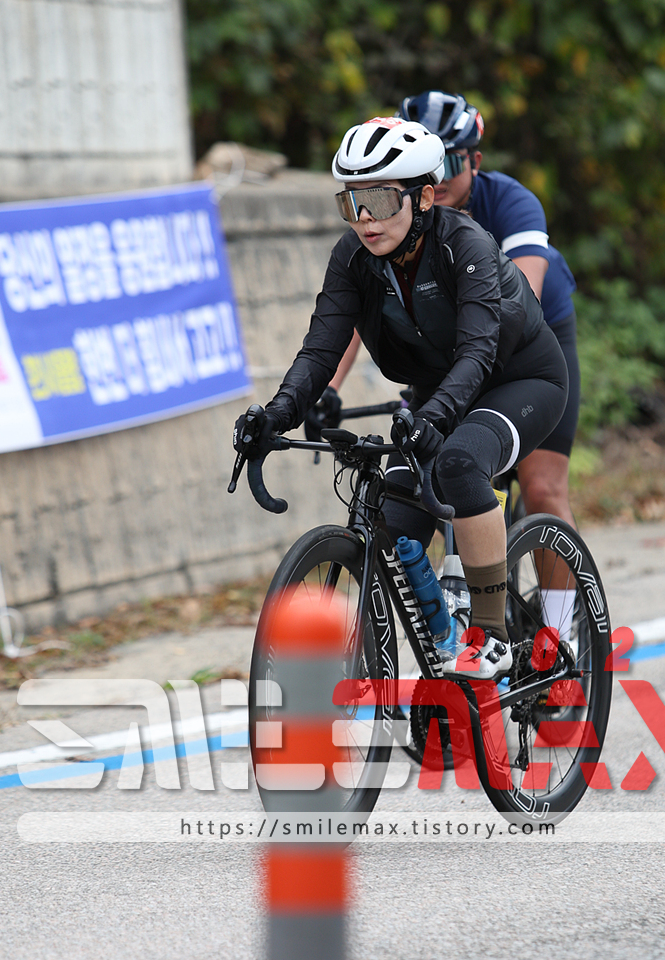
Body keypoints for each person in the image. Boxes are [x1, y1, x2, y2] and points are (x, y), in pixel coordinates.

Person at [233, 116, 568, 679]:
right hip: (442, 388)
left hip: (520, 379)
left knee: (459, 464)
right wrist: (277, 414)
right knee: (391, 516)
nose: (365, 217)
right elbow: (320, 350)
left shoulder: (465, 243)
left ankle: (492, 634)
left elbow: (478, 351)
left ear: (424, 197)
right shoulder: (352, 258)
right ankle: (434, 637)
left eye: (381, 200)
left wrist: (432, 416)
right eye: (352, 202)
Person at [316, 92, 582, 530]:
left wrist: (451, 396)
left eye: (452, 162)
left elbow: (520, 302)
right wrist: (329, 388)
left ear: (474, 161)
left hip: (526, 340)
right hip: (447, 348)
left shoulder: (511, 203)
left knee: (542, 488)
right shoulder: (391, 224)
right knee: (419, 493)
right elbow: (365, 308)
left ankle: (552, 577)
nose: (438, 178)